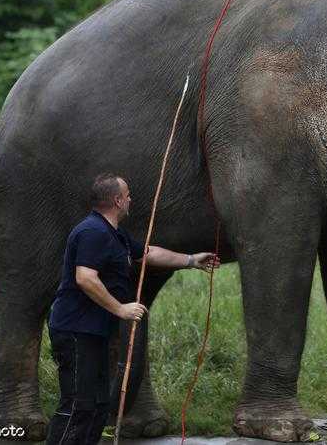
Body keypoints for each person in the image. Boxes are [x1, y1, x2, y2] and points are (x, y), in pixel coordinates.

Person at [46, 173, 220, 444]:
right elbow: (85, 278)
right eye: (127, 195)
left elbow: (148, 253)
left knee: (99, 405)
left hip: (93, 332)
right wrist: (121, 309)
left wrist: (190, 260)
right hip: (75, 331)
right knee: (78, 406)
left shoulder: (115, 234)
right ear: (117, 200)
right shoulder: (92, 232)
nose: (130, 200)